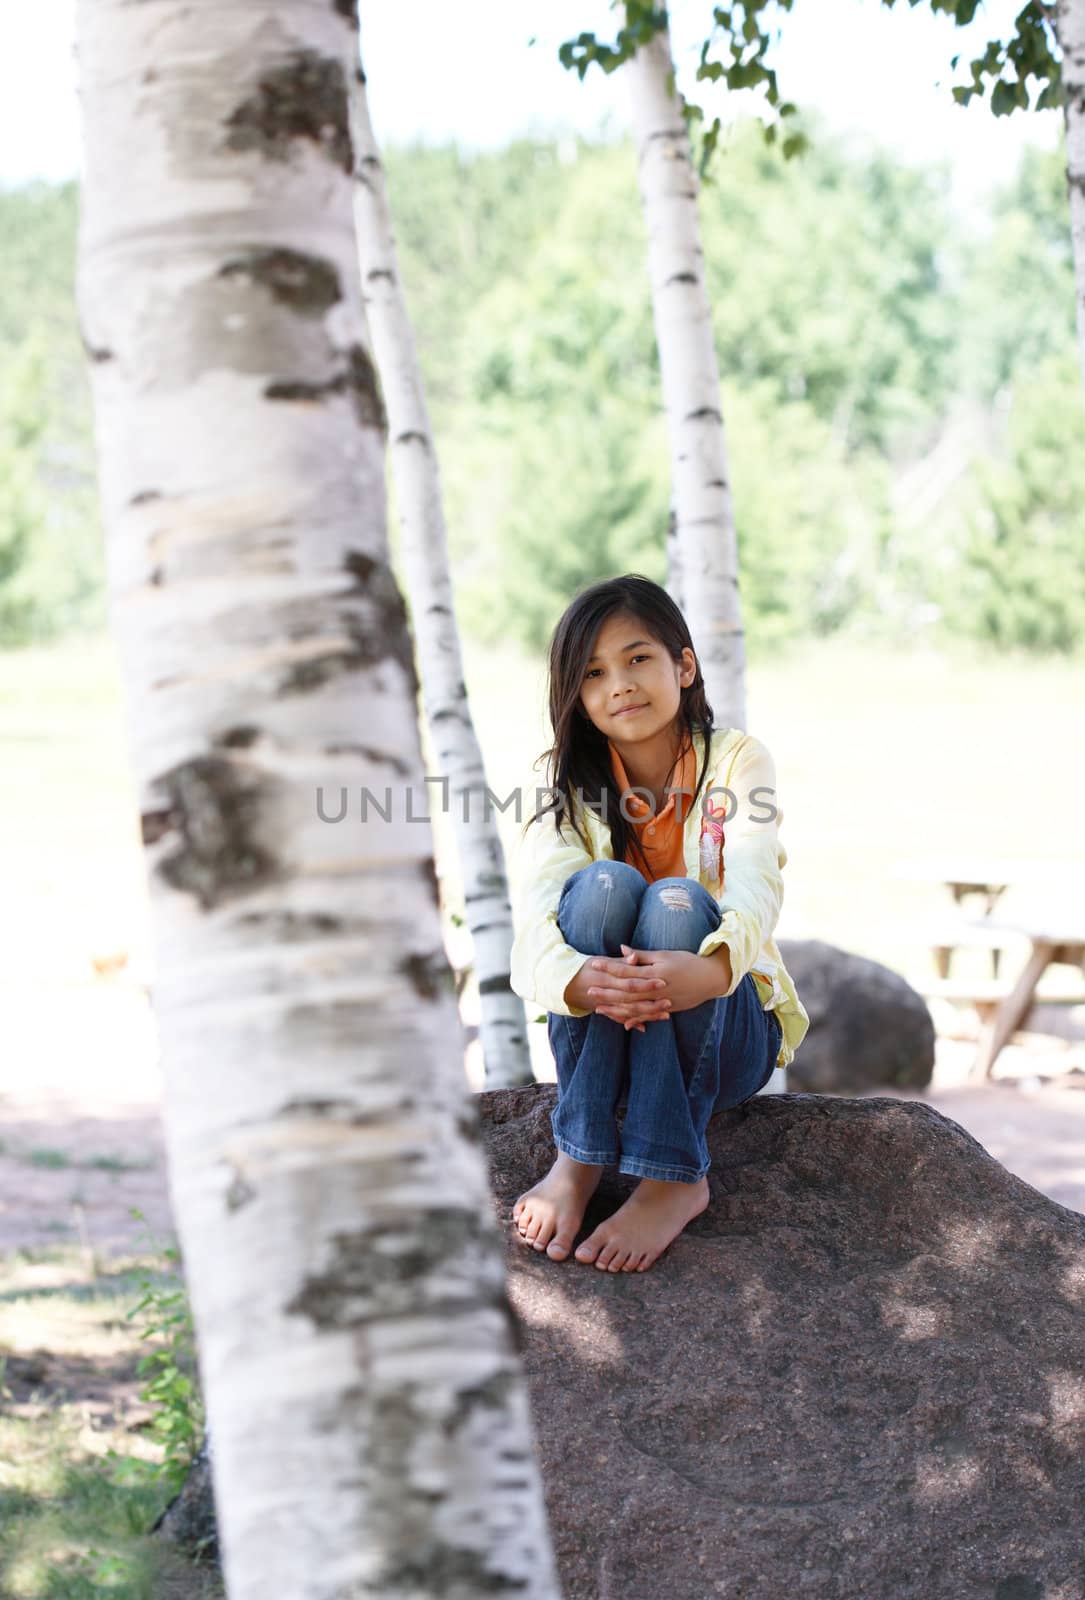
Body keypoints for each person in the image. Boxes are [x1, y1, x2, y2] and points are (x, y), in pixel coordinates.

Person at [508, 573, 809, 1274]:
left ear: (683, 664)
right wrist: (583, 981)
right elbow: (534, 923)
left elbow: (756, 878)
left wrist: (707, 971)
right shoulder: (559, 782)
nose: (620, 684)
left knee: (676, 900)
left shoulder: (738, 761)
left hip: (724, 1031)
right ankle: (579, 1159)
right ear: (575, 696)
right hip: (609, 1027)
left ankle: (672, 1175)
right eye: (593, 672)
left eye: (637, 658)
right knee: (602, 886)